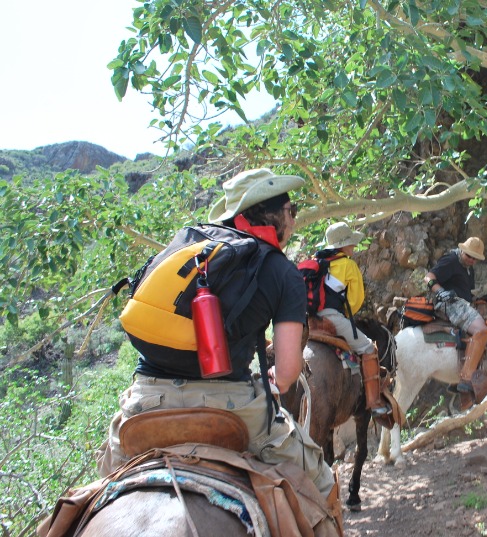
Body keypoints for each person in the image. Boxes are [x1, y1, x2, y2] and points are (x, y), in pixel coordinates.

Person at [96, 168, 336, 502]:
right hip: (230, 406)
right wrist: (273, 379)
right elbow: (285, 373)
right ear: (270, 215)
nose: (294, 219)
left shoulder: (190, 248)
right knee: (323, 484)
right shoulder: (282, 271)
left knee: (99, 489)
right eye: (291, 210)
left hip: (145, 400)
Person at [315, 222, 392, 418]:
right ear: (343, 245)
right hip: (331, 318)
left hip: (309, 322)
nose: (354, 246)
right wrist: (344, 317)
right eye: (351, 242)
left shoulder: (316, 263)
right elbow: (355, 301)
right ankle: (374, 403)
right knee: (368, 348)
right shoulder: (348, 265)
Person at [423, 237, 487, 395]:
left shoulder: (469, 267)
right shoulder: (451, 260)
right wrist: (440, 291)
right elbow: (428, 277)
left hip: (463, 303)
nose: (472, 260)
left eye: (475, 258)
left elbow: (465, 290)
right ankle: (466, 377)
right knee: (482, 331)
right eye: (469, 256)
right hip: (450, 303)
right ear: (462, 251)